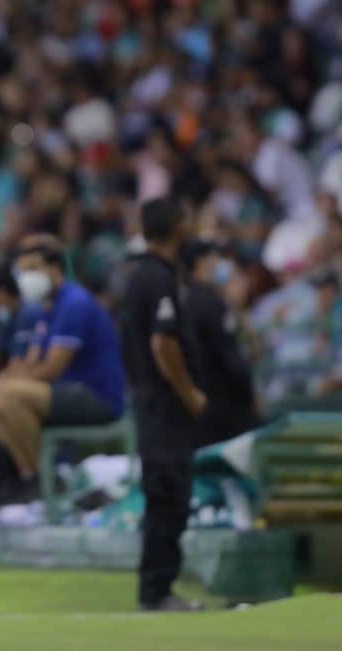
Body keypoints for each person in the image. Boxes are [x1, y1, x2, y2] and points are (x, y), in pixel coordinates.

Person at [0, 235, 125, 501]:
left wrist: (6, 381)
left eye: (33, 268)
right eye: (22, 270)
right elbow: (29, 363)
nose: (25, 277)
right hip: (65, 392)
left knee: (8, 397)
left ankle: (51, 479)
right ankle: (33, 477)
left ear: (55, 270)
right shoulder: (47, 307)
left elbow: (51, 370)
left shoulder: (74, 303)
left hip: (96, 396)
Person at [119, 196, 206, 612]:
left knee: (164, 493)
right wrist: (188, 391)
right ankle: (157, 589)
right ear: (177, 224)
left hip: (148, 399)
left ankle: (156, 587)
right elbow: (163, 342)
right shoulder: (157, 277)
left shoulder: (141, 275)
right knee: (169, 492)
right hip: (163, 402)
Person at [180, 239, 257, 448]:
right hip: (224, 404)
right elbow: (230, 358)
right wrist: (250, 392)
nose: (216, 263)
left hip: (198, 399)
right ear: (200, 262)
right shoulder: (212, 303)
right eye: (212, 257)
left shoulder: (184, 299)